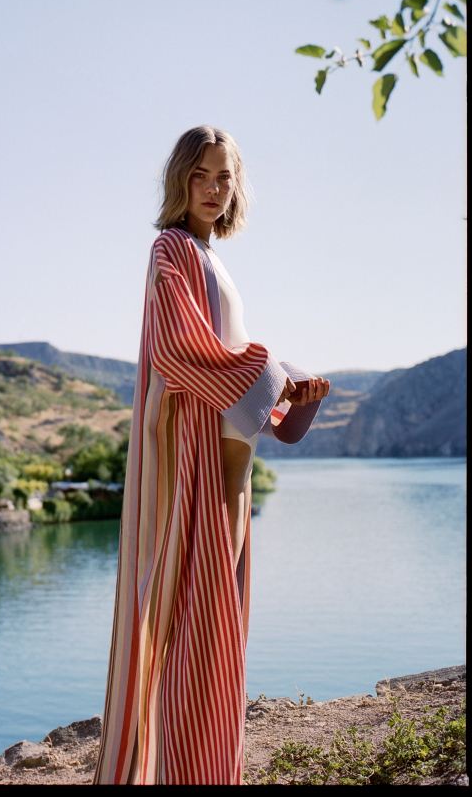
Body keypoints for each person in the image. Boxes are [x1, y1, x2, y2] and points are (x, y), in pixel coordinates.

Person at [93, 125, 330, 785]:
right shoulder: (169, 247)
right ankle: (182, 769)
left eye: (225, 176)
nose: (214, 188)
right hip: (199, 462)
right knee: (197, 620)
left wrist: (286, 391)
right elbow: (178, 350)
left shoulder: (212, 258)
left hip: (232, 458)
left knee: (218, 622)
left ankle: (206, 765)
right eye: (201, 174)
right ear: (180, 180)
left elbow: (226, 356)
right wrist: (266, 369)